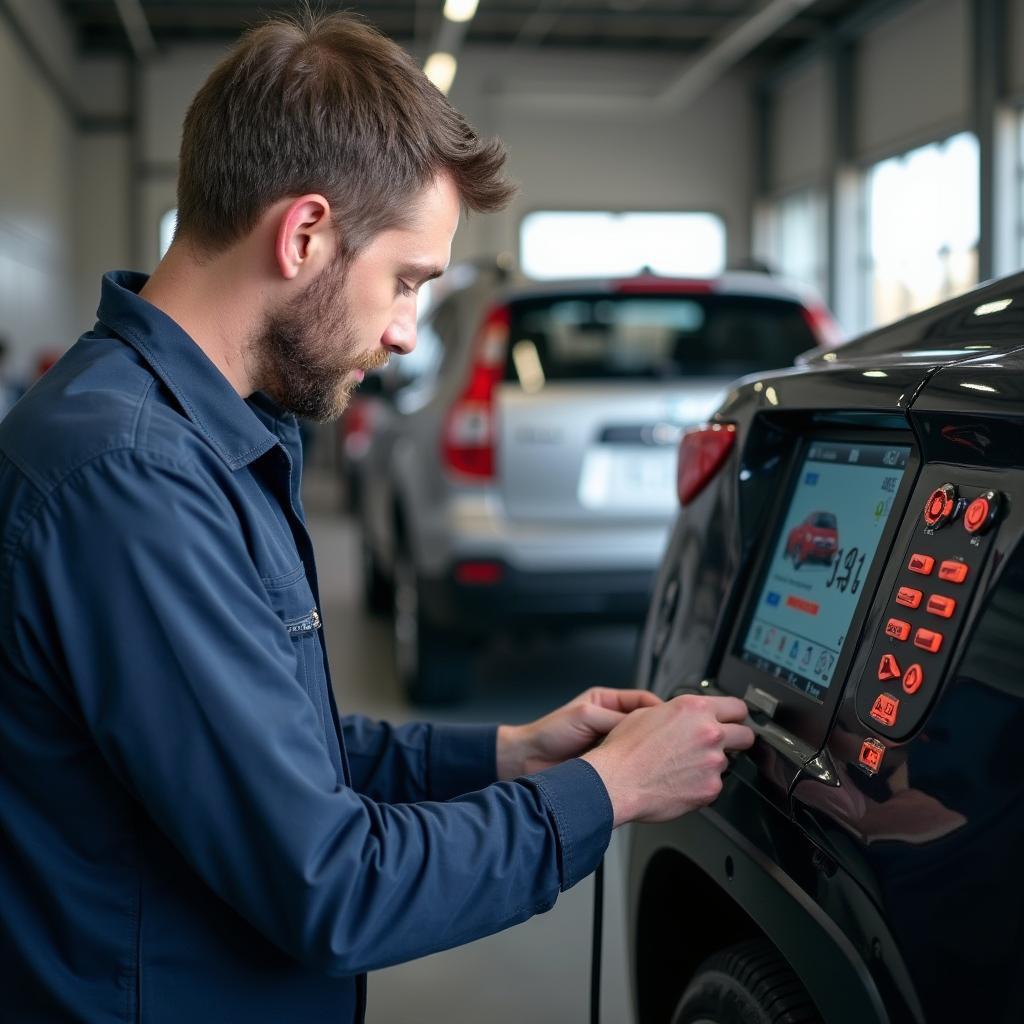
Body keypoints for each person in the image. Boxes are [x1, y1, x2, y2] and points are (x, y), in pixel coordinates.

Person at [0, 12, 754, 1023]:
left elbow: (274, 744)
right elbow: (330, 883)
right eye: (404, 281)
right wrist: (604, 792)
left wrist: (508, 754)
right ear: (305, 232)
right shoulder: (132, 478)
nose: (405, 331)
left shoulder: (197, 434)